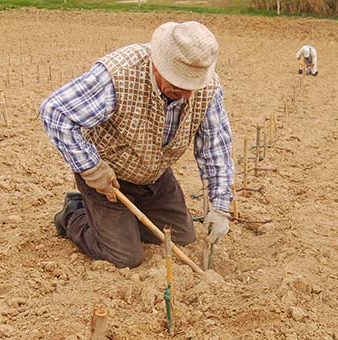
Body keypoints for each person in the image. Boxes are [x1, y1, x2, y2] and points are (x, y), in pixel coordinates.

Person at [40, 21, 234, 269]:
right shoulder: (119, 74)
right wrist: (92, 168)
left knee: (183, 238)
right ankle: (74, 212)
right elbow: (55, 112)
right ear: (158, 64)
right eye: (178, 85)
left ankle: (122, 221)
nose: (186, 94)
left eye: (191, 87)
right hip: (108, 178)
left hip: (154, 176)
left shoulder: (208, 88)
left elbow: (215, 149)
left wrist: (219, 207)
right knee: (124, 257)